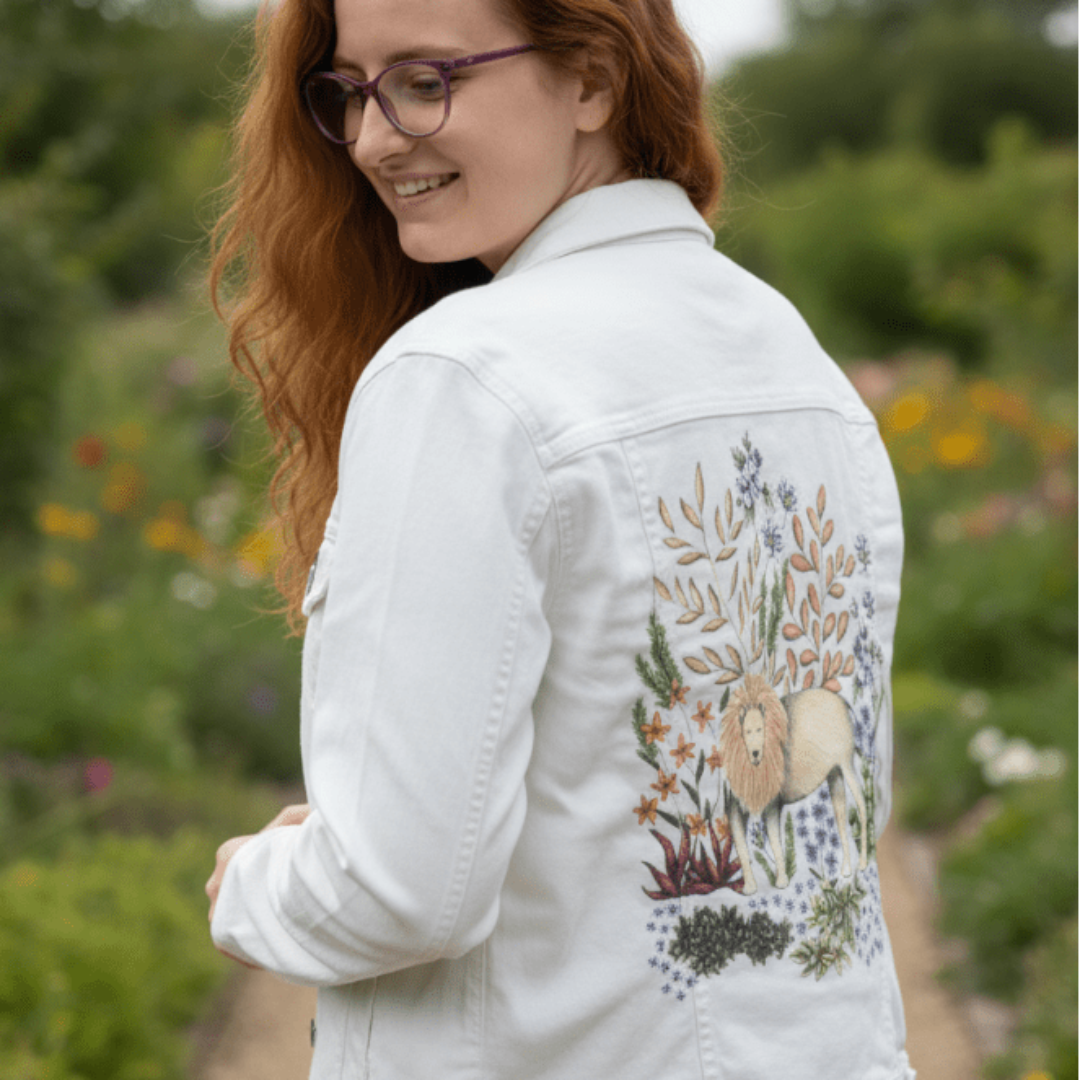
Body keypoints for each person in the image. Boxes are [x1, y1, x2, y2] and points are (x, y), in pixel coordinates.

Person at [205, 0, 916, 1076]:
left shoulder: (465, 377)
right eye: (349, 89)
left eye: (426, 78)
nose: (375, 136)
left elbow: (396, 898)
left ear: (593, 78)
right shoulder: (794, 361)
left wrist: (255, 879)